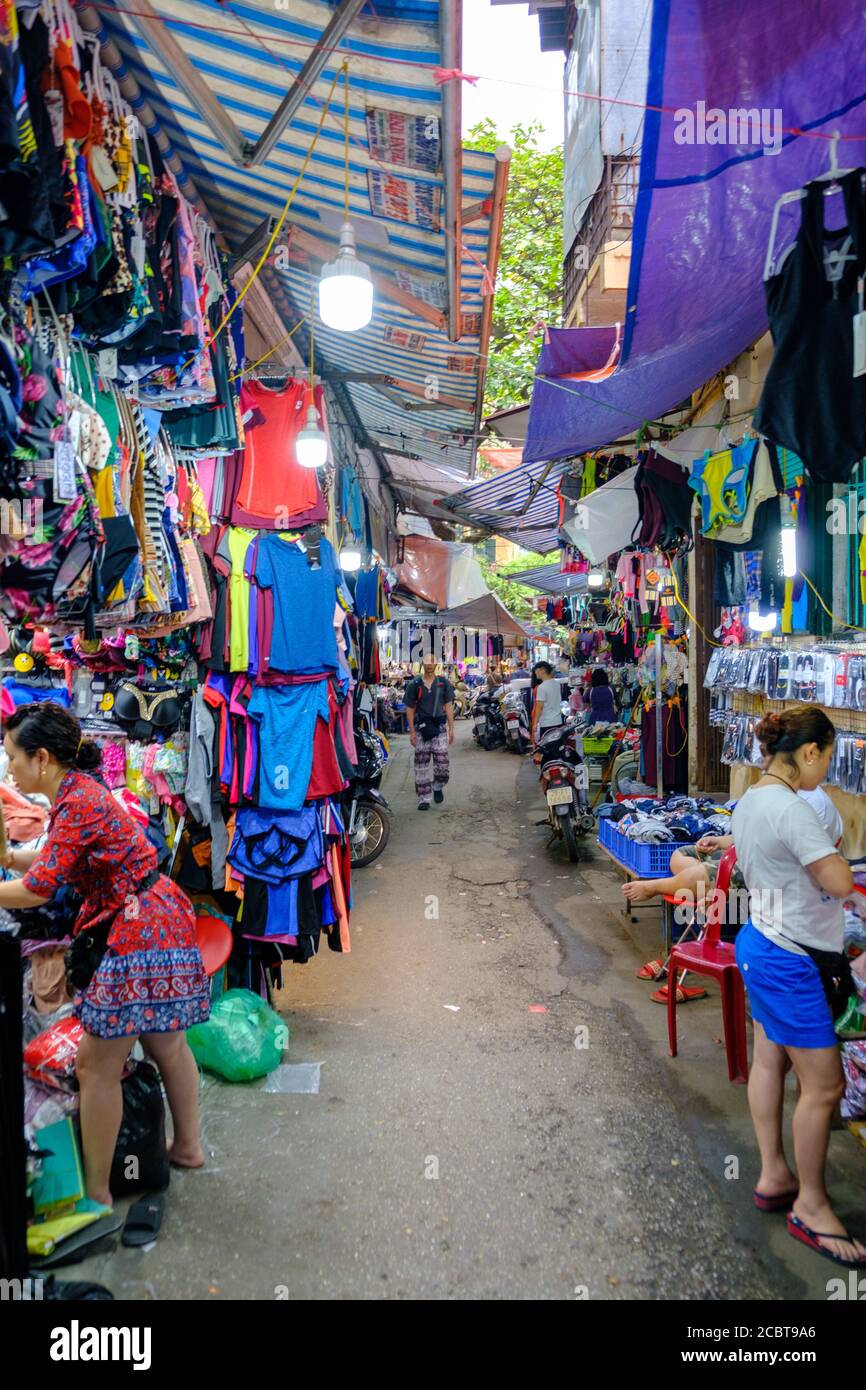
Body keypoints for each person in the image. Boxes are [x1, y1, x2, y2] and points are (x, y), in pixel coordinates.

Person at [0, 704, 210, 1205]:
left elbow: (39, 889)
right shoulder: (77, 792)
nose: (8, 768)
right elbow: (57, 862)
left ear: (42, 759)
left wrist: (10, 874)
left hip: (138, 928)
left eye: (13, 758)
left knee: (96, 1066)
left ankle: (96, 1195)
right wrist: (10, 858)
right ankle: (187, 1147)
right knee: (167, 1045)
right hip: (155, 913)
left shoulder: (76, 802)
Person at [732, 707, 866, 1268]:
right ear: (809, 753)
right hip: (792, 959)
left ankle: (775, 1174)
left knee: (770, 1061)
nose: (828, 772)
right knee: (825, 1087)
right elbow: (838, 881)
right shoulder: (792, 810)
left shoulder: (751, 799)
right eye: (828, 759)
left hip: (762, 942)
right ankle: (810, 1206)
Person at [404, 656, 455, 810]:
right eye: (427, 660)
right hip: (421, 729)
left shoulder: (443, 683)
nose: (430, 664)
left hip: (439, 728)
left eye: (432, 660)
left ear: (436, 662)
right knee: (421, 765)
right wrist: (412, 731)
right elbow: (410, 708)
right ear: (422, 663)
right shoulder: (415, 684)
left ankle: (438, 786)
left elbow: (448, 705)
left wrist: (451, 728)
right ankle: (424, 798)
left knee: (442, 764)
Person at [530, 662, 563, 744]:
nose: (535, 672)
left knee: (546, 749)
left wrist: (535, 724)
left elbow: (539, 708)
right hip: (558, 721)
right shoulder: (556, 684)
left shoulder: (541, 687)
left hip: (546, 723)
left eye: (536, 670)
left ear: (543, 670)